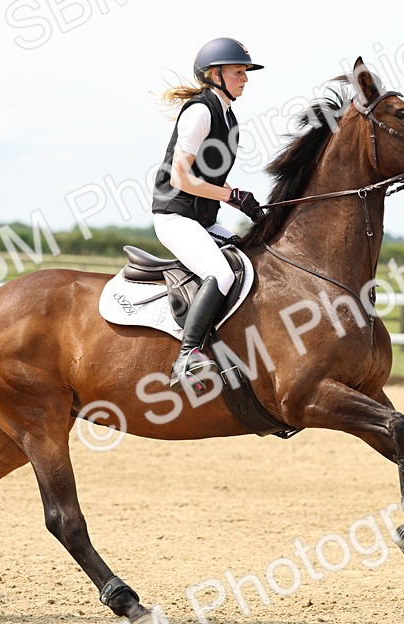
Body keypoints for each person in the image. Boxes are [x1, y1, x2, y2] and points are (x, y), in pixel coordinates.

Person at [152, 37, 266, 391]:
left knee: (248, 258)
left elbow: (209, 176)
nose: (245, 78)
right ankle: (187, 357)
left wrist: (237, 199)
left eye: (245, 71)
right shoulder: (201, 111)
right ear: (215, 74)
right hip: (175, 216)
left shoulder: (228, 116)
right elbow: (181, 177)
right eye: (238, 71)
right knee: (220, 272)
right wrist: (230, 194)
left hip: (202, 218)